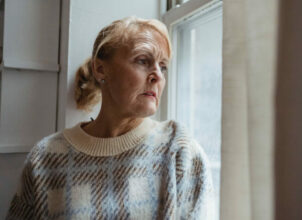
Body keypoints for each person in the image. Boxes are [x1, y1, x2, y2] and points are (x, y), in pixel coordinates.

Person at [6, 16, 215, 219]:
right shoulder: (45, 159)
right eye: (143, 60)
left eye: (163, 66)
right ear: (100, 69)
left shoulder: (180, 151)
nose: (158, 76)